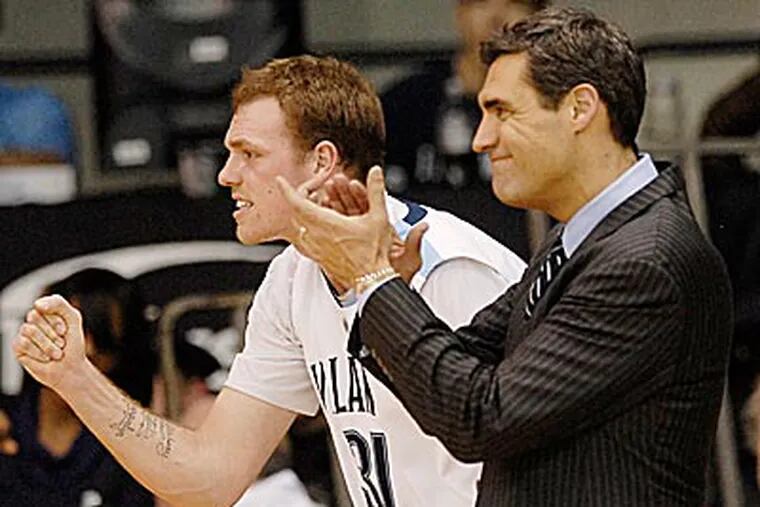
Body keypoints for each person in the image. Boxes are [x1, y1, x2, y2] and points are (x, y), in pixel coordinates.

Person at [12, 55, 526, 506]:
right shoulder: (292, 278)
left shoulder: (448, 263)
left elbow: (521, 456)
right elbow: (208, 480)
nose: (226, 175)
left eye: (249, 154)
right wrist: (76, 378)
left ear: (322, 161)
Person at [277, 7, 734, 506]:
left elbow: (480, 416)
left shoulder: (644, 260)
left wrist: (373, 278)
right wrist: (384, 287)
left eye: (502, 112)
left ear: (580, 108)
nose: (481, 139)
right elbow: (455, 373)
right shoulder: (584, 238)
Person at [381, 0, 549, 259]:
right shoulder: (407, 102)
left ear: (540, 16)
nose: (496, 16)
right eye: (481, 3)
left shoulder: (551, 104)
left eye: (514, 2)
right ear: (460, 12)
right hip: (420, 267)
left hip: (524, 267)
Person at [0, 268, 154, 506]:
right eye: (70, 332)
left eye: (103, 337)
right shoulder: (6, 423)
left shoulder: (136, 447)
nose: (86, 350)